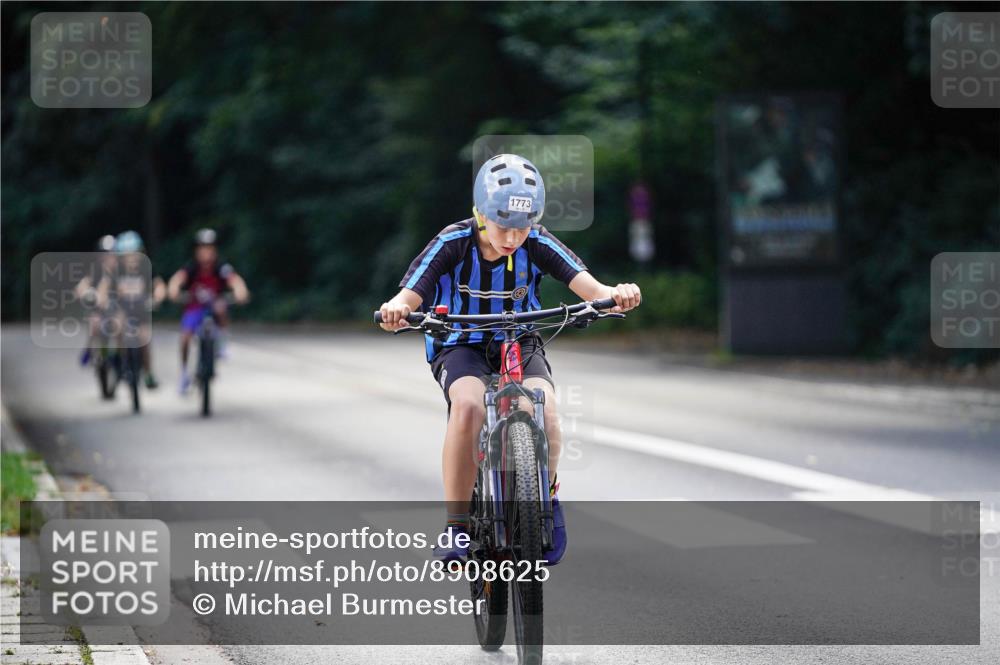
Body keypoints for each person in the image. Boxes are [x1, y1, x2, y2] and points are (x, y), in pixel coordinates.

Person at [378, 154, 641, 564]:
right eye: (504, 226)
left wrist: (615, 294)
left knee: (546, 410)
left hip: (520, 341)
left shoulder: (535, 241)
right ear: (480, 214)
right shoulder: (452, 242)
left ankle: (546, 500)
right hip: (460, 345)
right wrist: (397, 309)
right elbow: (411, 293)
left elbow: (591, 288)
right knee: (467, 408)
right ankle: (457, 527)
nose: (514, 237)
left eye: (523, 226)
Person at [167, 228, 250, 395]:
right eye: (202, 248)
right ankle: (184, 374)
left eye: (210, 248)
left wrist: (241, 291)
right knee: (185, 339)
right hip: (194, 308)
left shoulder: (220, 267)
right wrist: (174, 290)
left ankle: (223, 344)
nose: (206, 252)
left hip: (214, 307)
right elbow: (177, 279)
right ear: (197, 251)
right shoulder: (192, 267)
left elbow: (235, 280)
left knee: (221, 307)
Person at [112, 230, 165, 389]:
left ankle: (148, 373)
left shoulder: (146, 269)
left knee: (145, 339)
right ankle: (121, 362)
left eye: (134, 254)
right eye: (127, 255)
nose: (132, 259)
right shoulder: (116, 272)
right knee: (118, 326)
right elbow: (105, 287)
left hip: (140, 311)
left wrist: (157, 298)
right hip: (123, 309)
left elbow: (159, 285)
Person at [75, 235, 118, 367]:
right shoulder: (96, 271)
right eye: (104, 254)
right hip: (101, 310)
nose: (107, 257)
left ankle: (120, 356)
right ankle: (91, 349)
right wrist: (83, 291)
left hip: (120, 309)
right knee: (95, 323)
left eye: (111, 254)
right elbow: (83, 284)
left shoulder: (122, 271)